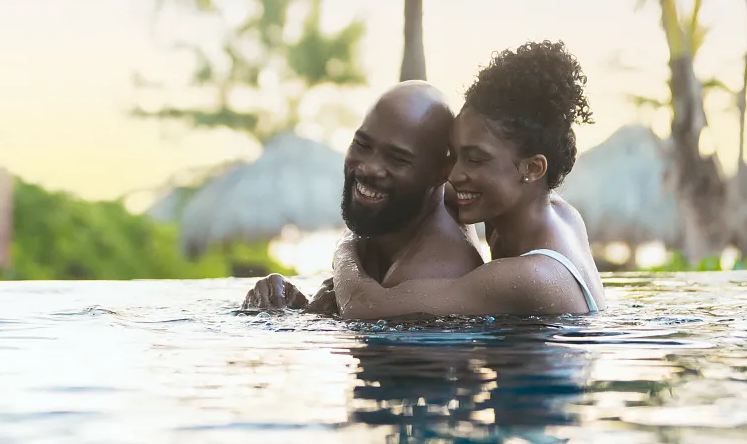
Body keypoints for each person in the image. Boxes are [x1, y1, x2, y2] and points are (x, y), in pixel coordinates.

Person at [329, 41, 604, 318]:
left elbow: (363, 308)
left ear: (533, 168)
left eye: (475, 159)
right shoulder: (550, 212)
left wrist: (346, 248)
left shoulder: (532, 277)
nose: (454, 174)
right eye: (455, 155)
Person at [241, 82, 484, 312]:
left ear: (443, 171)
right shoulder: (414, 217)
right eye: (362, 144)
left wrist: (345, 248)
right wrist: (294, 304)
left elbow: (363, 316)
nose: (368, 168)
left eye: (397, 158)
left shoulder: (428, 271)